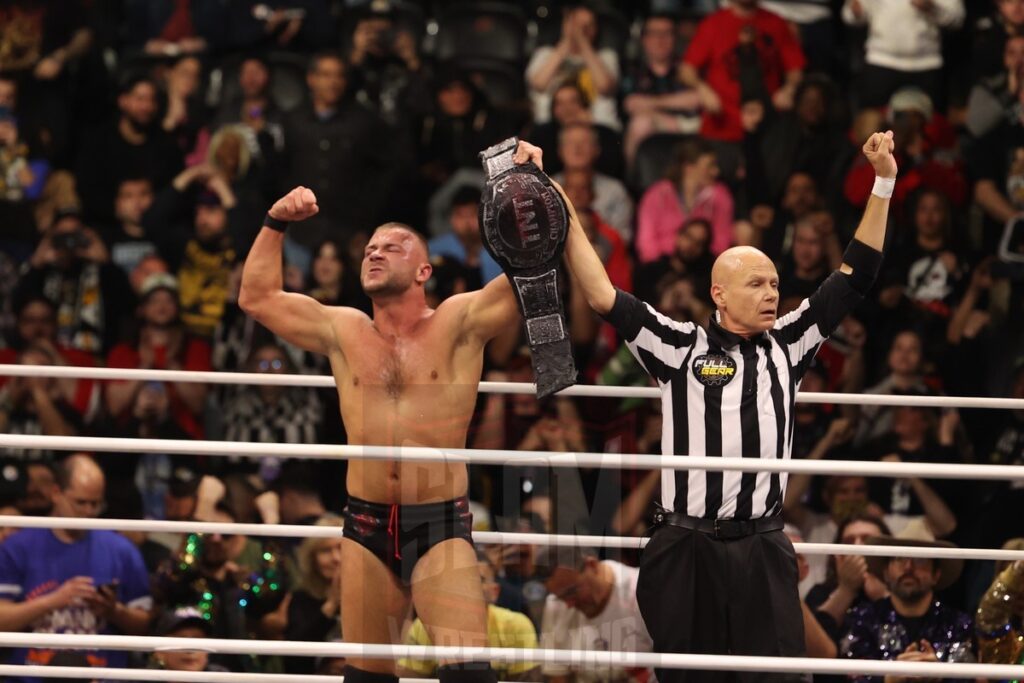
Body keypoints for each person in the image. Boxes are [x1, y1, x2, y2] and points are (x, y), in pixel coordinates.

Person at [553, 125, 897, 683]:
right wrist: (558, 197)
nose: (770, 294)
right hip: (687, 543)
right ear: (719, 293)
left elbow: (855, 278)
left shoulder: (791, 340)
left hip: (762, 541)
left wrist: (883, 184)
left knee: (776, 677)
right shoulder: (679, 344)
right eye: (756, 284)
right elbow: (601, 294)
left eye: (774, 284)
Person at [238, 173, 522, 683]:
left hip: (437, 523)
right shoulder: (342, 329)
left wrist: (526, 188)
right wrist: (275, 221)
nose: (376, 253)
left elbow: (534, 277)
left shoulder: (458, 321)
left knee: (469, 674)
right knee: (367, 676)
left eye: (393, 247)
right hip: (365, 520)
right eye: (371, 248)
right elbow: (257, 298)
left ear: (423, 270)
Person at [0, 454, 153, 680]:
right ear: (56, 493)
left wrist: (114, 611)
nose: (88, 512)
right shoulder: (18, 547)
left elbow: (144, 626)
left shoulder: (121, 551)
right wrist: (52, 601)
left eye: (96, 503)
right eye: (80, 502)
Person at [840, 536, 974, 681]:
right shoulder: (862, 619)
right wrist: (889, 680)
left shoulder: (958, 624)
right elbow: (852, 676)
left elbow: (969, 677)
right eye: (899, 558)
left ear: (936, 575)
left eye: (920, 559)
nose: (908, 567)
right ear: (886, 572)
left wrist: (938, 677)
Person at [399, 553, 540, 681]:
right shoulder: (423, 627)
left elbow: (528, 680)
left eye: (480, 579)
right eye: (461, 579)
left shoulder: (516, 625)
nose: (468, 586)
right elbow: (410, 679)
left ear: (494, 591)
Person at [537, 546, 654, 683]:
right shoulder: (556, 605)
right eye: (560, 597)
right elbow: (557, 675)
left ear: (592, 565)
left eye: (571, 591)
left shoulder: (644, 592)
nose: (568, 604)